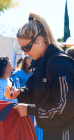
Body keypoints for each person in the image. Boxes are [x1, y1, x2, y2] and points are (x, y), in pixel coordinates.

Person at [5, 11, 74, 140]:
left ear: (39, 40)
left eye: (27, 48)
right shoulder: (42, 64)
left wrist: (30, 110)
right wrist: (18, 93)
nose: (25, 53)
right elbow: (34, 91)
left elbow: (65, 108)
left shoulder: (58, 63)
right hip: (52, 131)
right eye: (22, 49)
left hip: (65, 132)